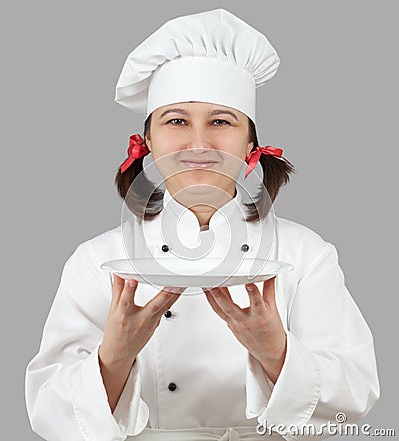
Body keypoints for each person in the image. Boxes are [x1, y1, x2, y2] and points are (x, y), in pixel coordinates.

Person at [25, 9, 380, 441]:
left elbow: (353, 403)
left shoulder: (305, 255)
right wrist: (114, 357)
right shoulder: (97, 260)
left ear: (250, 144)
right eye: (176, 121)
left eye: (220, 121)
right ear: (148, 143)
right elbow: (49, 415)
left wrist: (275, 352)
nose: (199, 144)